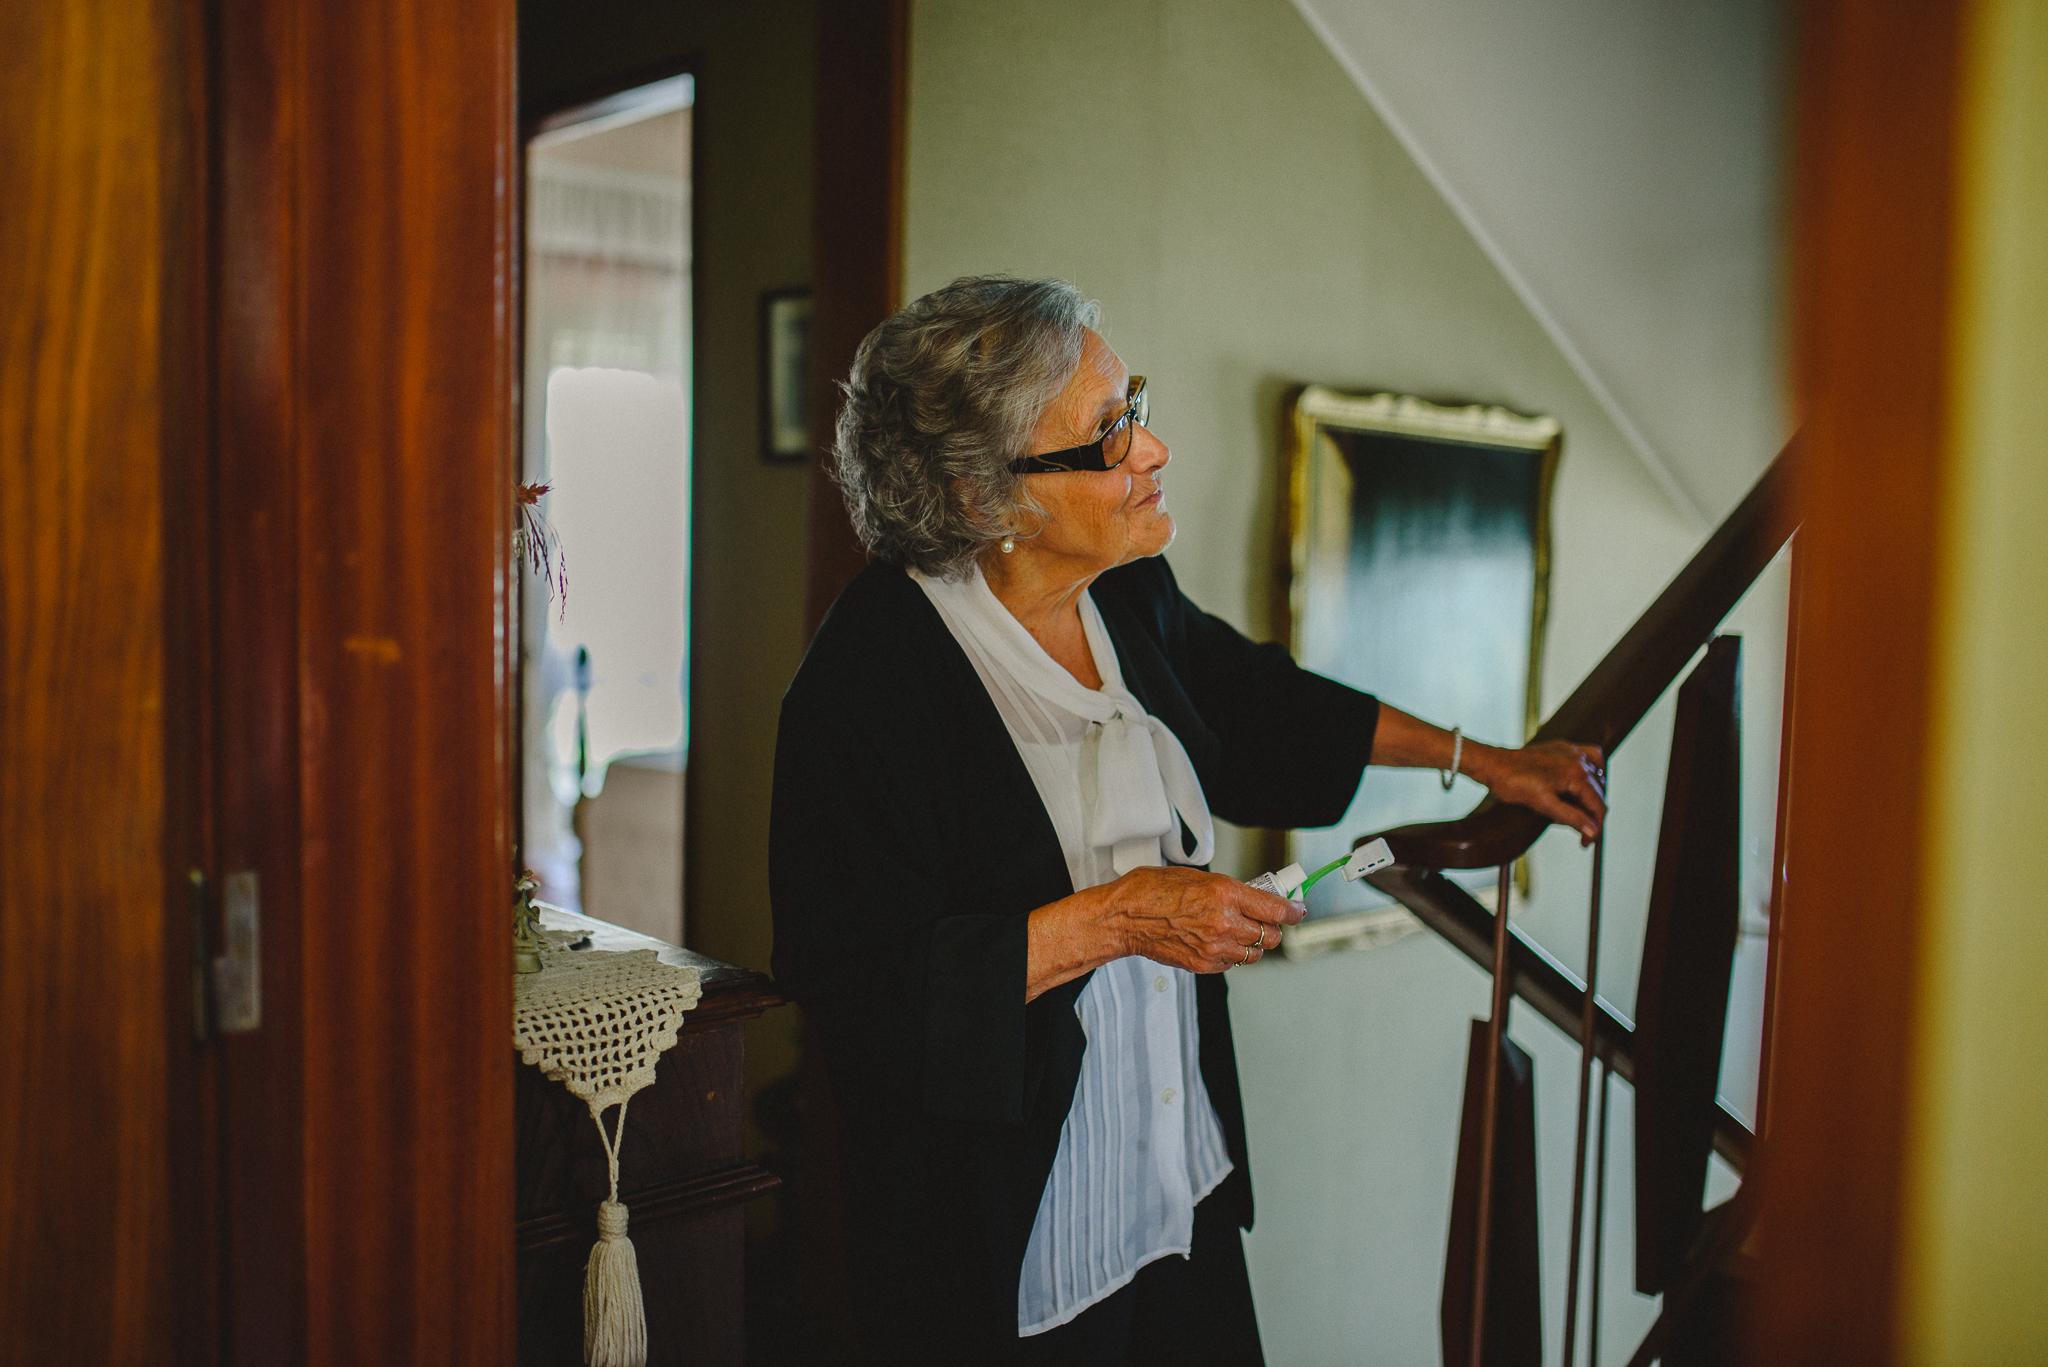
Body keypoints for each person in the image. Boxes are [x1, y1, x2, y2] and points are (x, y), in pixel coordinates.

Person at [770, 276, 1605, 1365]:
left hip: (1176, 1180)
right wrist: (1114, 920)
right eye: (1109, 434)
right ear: (985, 499)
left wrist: (1479, 757)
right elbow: (857, 982)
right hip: (1009, 1239)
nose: (1153, 449)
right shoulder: (865, 688)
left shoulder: (1124, 592)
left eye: (1135, 404)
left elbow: (1262, 705)